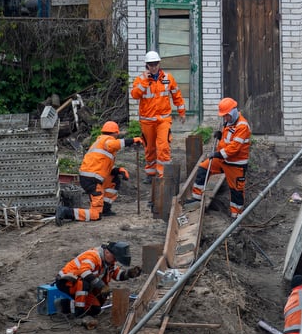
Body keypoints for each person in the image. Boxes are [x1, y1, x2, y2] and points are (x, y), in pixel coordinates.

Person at [56, 122, 142, 224]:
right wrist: (132, 140)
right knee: (95, 215)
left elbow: (102, 168)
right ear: (115, 133)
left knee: (114, 179)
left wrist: (118, 170)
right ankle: (66, 212)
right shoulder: (107, 140)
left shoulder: (100, 141)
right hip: (92, 180)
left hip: (91, 177)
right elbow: (114, 145)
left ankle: (105, 208)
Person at [190, 97, 251, 217]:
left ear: (233, 111)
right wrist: (221, 135)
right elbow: (228, 138)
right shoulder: (229, 121)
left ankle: (236, 216)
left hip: (236, 164)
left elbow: (234, 148)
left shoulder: (242, 126)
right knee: (203, 168)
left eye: (226, 115)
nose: (225, 118)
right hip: (223, 160)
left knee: (236, 191)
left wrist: (217, 154)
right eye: (223, 115)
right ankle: (197, 198)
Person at [130, 50, 185, 181]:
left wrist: (181, 112)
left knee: (163, 146)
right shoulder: (141, 79)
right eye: (151, 64)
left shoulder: (168, 78)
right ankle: (150, 173)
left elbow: (176, 95)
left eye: (155, 64)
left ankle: (163, 175)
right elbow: (135, 95)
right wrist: (144, 82)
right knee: (149, 148)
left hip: (163, 119)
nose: (153, 67)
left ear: (159, 63)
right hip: (147, 121)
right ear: (147, 65)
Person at [52, 242, 143, 318]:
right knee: (85, 283)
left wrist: (129, 274)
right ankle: (78, 312)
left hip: (79, 283)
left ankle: (65, 305)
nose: (115, 261)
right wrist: (102, 286)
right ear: (107, 252)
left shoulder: (108, 261)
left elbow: (117, 275)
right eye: (114, 258)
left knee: (95, 309)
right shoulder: (93, 256)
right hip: (66, 282)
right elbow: (83, 271)